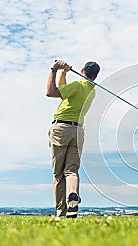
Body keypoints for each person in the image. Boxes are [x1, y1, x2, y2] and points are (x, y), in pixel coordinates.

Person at [46, 60, 100, 218]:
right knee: (71, 171)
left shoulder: (77, 86)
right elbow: (64, 91)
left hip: (61, 130)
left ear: (82, 70)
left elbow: (51, 92)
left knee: (58, 174)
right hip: (78, 131)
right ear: (95, 76)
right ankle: (72, 197)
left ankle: (61, 213)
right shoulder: (91, 90)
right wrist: (64, 74)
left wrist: (54, 70)